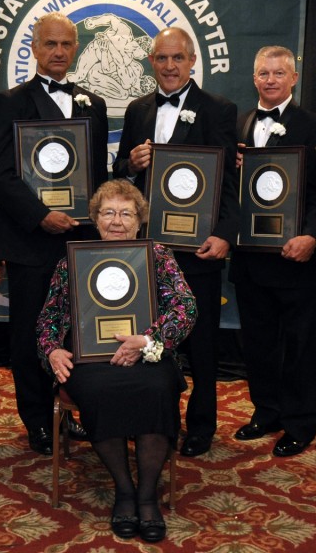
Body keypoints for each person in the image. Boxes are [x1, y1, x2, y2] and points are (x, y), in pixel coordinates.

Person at [38, 179, 197, 543]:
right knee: (98, 392)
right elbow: (49, 317)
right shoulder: (72, 260)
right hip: (91, 359)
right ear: (95, 219)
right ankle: (125, 490)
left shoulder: (157, 255)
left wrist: (149, 340)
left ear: (139, 221)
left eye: (126, 213)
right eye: (108, 212)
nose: (116, 221)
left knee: (157, 389)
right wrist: (52, 350)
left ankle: (147, 495)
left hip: (147, 352)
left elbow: (185, 306)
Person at [0, 12, 109, 455]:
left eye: (66, 44)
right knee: (31, 333)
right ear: (34, 48)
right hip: (31, 240)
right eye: (50, 44)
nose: (59, 52)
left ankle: (69, 412)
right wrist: (40, 215)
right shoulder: (10, 101)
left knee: (76, 333)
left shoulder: (93, 104)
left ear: (76, 49)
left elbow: (96, 174)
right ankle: (38, 420)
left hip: (79, 241)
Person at [113, 27, 238, 457]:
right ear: (151, 61)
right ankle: (154, 422)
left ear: (191, 61)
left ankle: (202, 424)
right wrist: (130, 163)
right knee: (150, 338)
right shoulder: (138, 109)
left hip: (198, 248)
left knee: (201, 344)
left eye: (178, 58)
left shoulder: (219, 109)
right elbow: (120, 171)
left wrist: (225, 233)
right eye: (162, 58)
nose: (169, 66)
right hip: (148, 248)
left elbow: (229, 180)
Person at [229, 46, 316, 457]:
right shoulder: (240, 123)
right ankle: (266, 411)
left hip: (294, 255)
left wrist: (312, 236)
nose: (270, 80)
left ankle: (300, 422)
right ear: (253, 78)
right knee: (258, 342)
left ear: (293, 78)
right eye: (263, 73)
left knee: (299, 346)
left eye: (278, 73)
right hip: (249, 254)